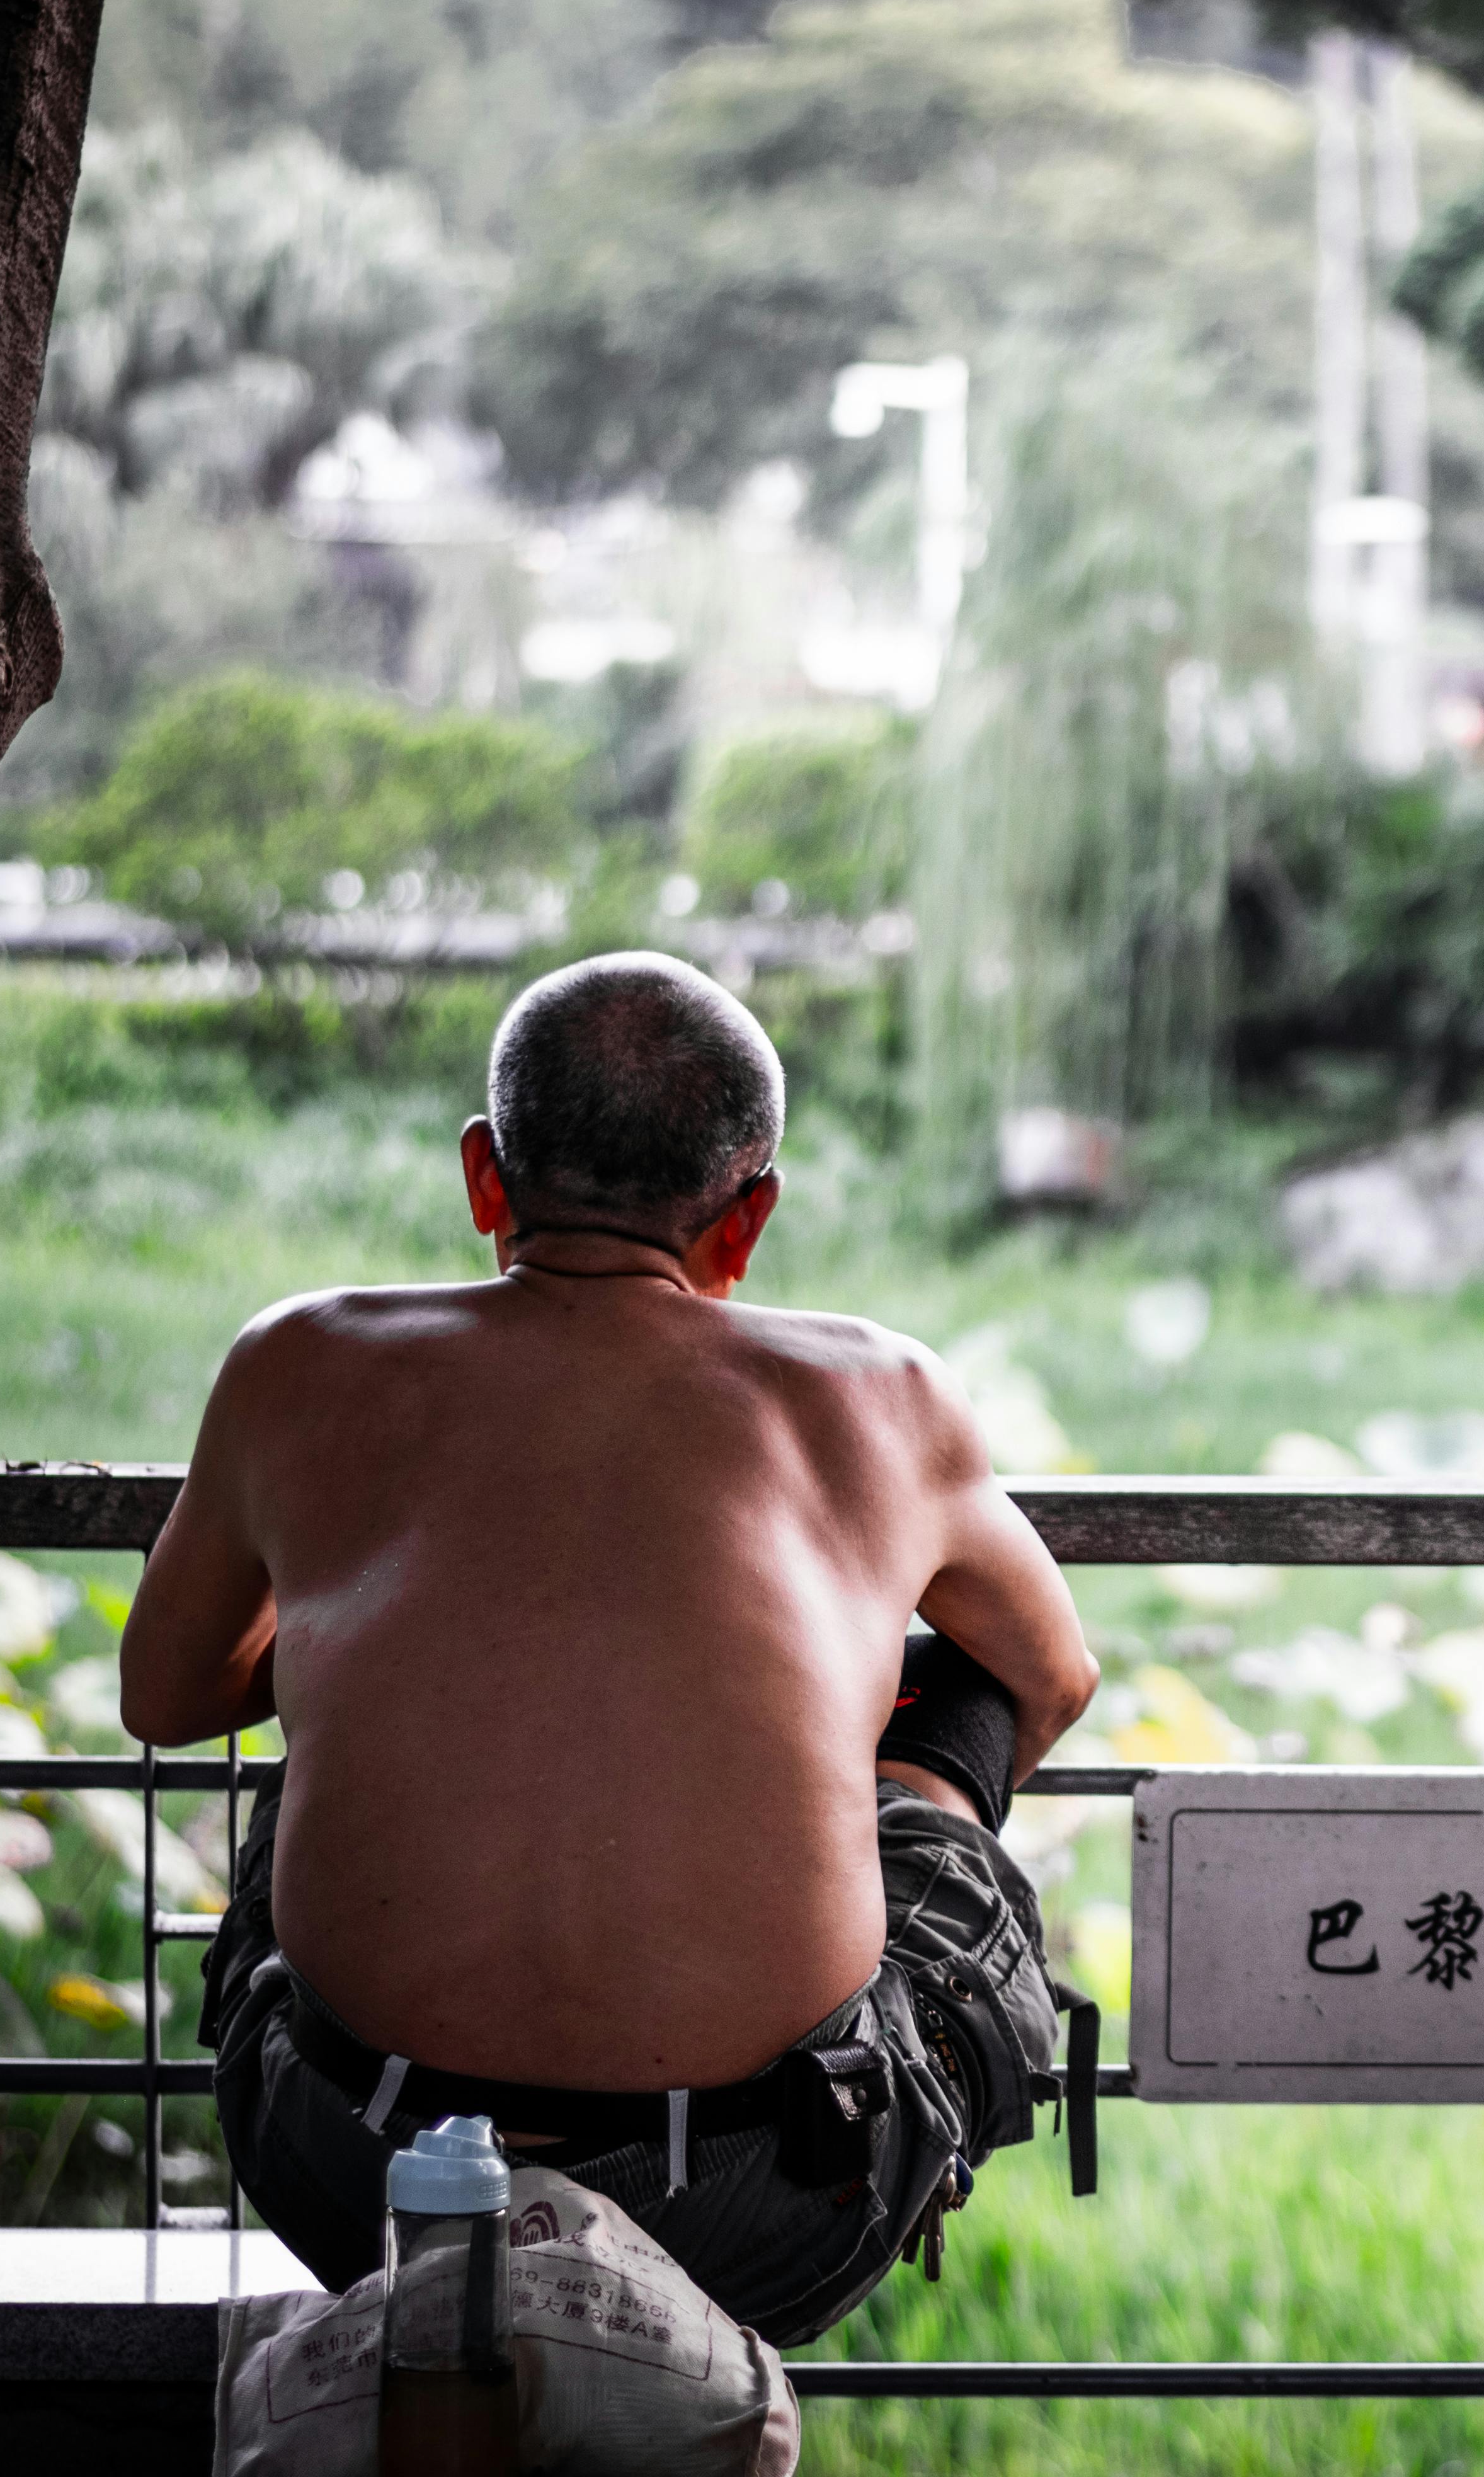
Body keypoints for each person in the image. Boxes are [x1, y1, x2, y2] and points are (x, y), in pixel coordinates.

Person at [122, 951, 1100, 2343]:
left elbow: (164, 1696)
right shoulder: (881, 1392)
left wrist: (404, 1666)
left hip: (361, 2173)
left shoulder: (298, 1360)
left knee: (309, 1768)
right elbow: (1050, 1673)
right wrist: (887, 1764)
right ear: (748, 1216)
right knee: (955, 1735)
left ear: (485, 1177)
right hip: (767, 2201)